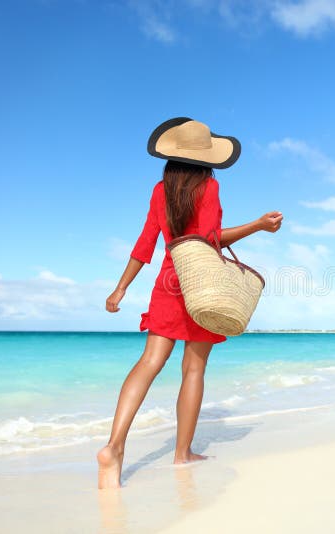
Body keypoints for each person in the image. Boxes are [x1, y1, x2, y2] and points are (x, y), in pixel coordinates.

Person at [97, 118, 282, 489]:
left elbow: (145, 243)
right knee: (193, 370)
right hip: (201, 284)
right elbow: (210, 239)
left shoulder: (158, 191)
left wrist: (120, 289)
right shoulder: (209, 187)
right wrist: (258, 225)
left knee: (149, 362)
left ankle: (114, 447)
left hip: (167, 281)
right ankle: (182, 454)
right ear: (206, 159)